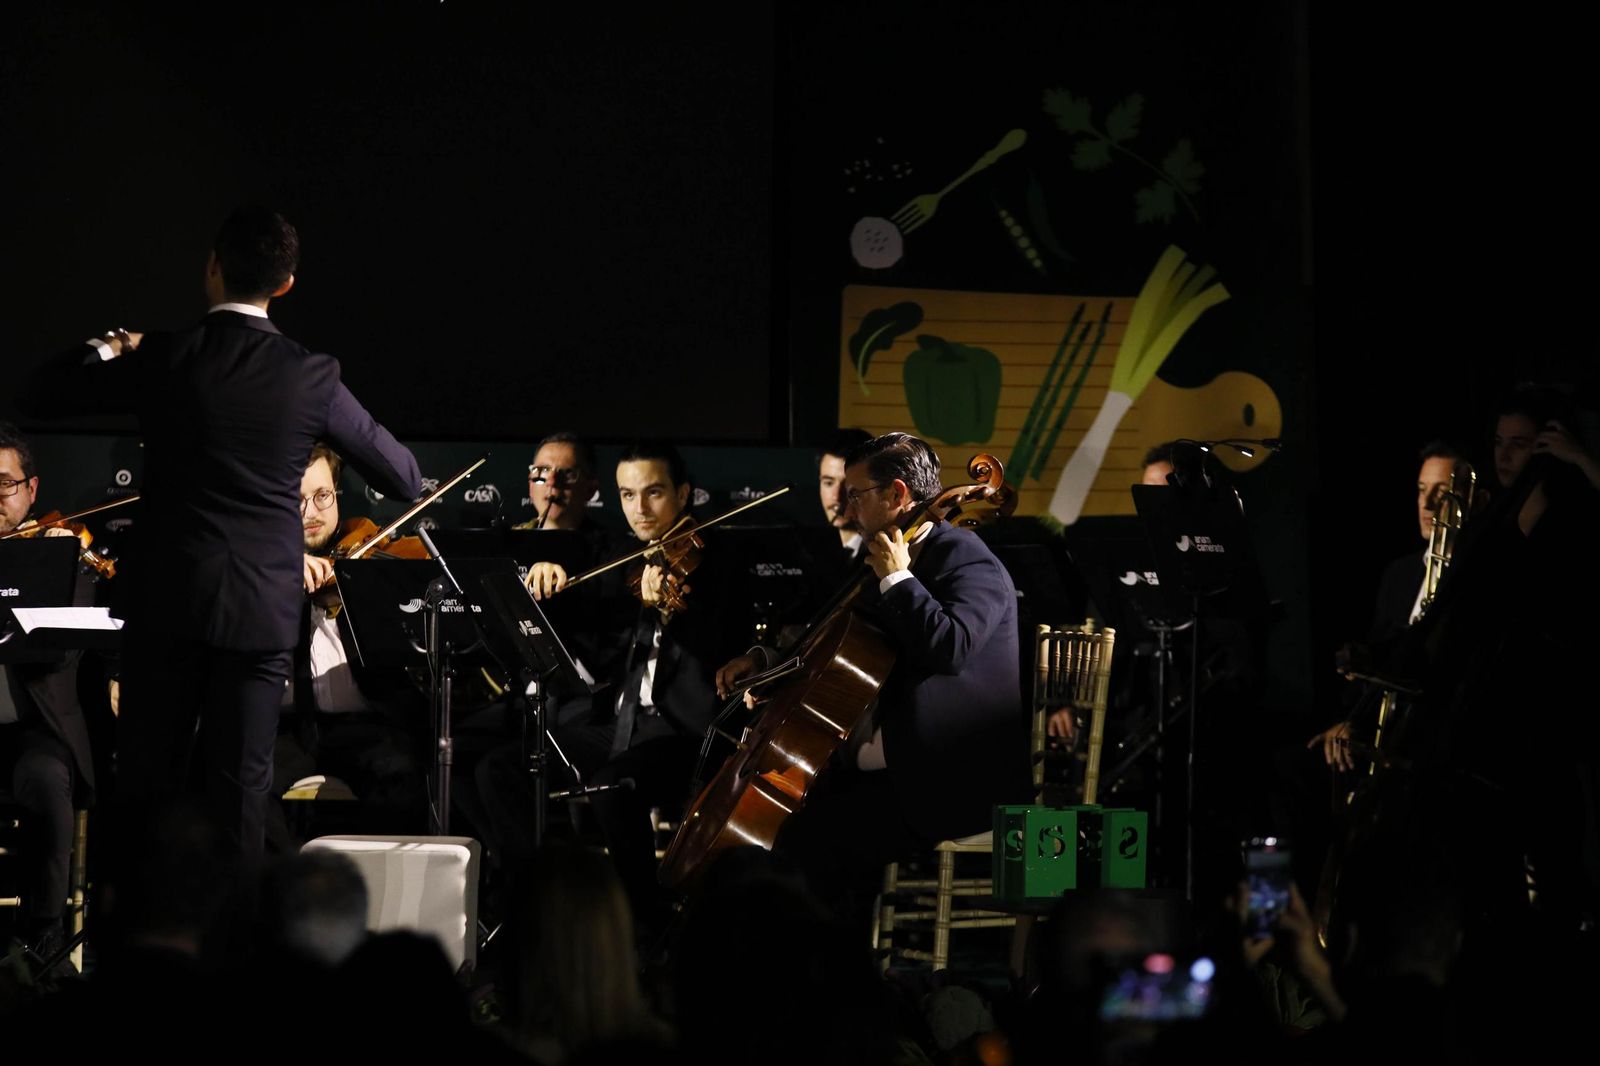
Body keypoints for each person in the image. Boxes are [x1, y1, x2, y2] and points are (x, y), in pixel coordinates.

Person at [23, 207, 421, 860]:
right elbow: (404, 476)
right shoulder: (311, 375)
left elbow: (37, 396)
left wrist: (110, 346)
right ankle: (236, 952)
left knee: (147, 794)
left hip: (167, 608)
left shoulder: (166, 356)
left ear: (211, 265)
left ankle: (137, 952)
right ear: (286, 283)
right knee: (239, 797)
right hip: (258, 616)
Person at [716, 431, 1028, 923]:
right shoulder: (886, 555)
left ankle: (832, 977)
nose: (845, 504)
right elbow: (832, 641)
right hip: (879, 765)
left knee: (810, 843)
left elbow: (950, 647)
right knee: (782, 829)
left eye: (855, 493)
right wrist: (766, 663)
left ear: (897, 494)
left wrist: (899, 581)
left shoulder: (964, 558)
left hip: (943, 779)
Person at [0, 423, 96, 963]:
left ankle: (44, 933)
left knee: (43, 778)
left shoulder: (61, 553)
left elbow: (60, 651)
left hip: (35, 731)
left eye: (4, 484)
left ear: (32, 490)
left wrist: (49, 571)